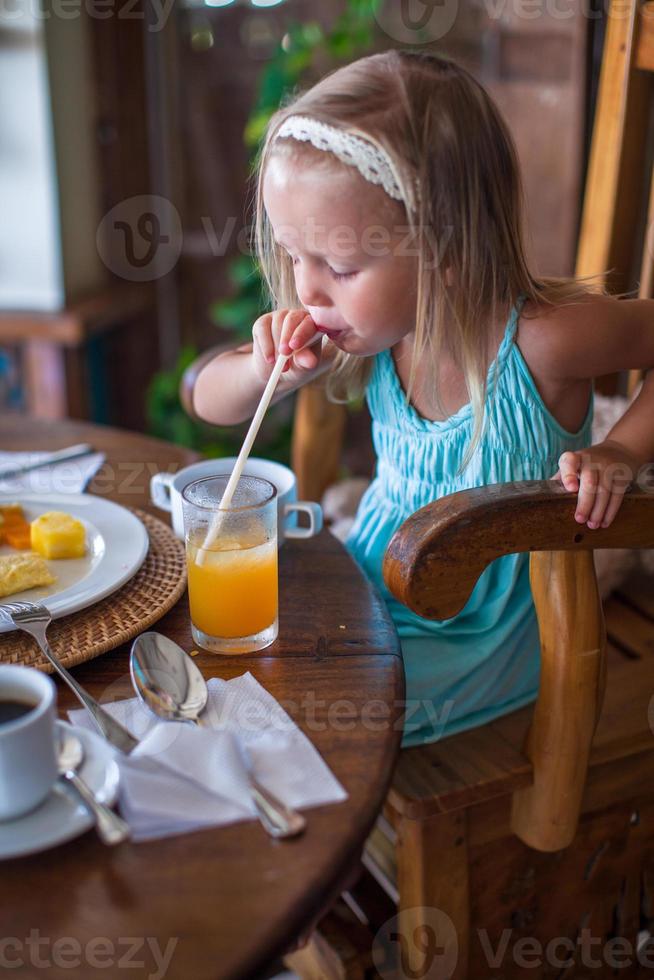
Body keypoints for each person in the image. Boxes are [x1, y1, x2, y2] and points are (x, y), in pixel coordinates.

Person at [193, 50, 654, 747]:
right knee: (220, 662)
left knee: (300, 717)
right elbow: (206, 397)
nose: (308, 289)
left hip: (480, 631)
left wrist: (622, 448)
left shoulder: (546, 343)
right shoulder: (374, 329)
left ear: (446, 243)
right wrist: (262, 372)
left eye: (341, 265)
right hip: (376, 583)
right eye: (293, 254)